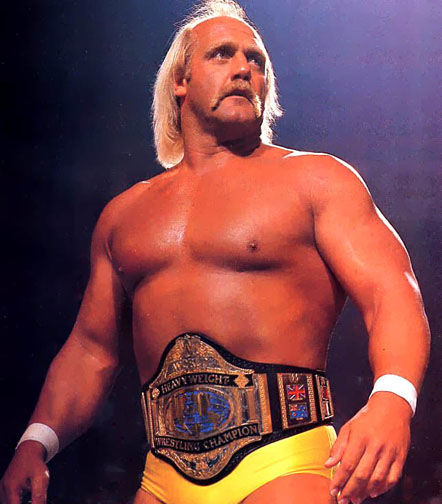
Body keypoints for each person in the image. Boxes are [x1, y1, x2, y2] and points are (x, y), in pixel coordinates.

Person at [0, 1, 430, 504]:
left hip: (284, 460)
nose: (244, 68)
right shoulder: (124, 216)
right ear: (180, 81)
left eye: (257, 60)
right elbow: (91, 350)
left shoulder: (316, 181)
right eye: (223, 54)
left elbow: (391, 293)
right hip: (163, 475)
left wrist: (393, 399)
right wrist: (36, 442)